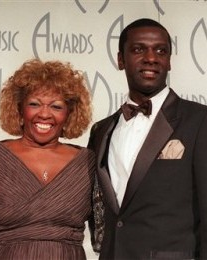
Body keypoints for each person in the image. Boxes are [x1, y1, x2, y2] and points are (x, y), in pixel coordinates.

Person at [88, 18, 207, 259]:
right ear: (120, 60)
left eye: (160, 50)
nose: (151, 57)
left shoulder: (200, 120)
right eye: (138, 49)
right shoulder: (101, 130)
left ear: (169, 61)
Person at [0, 58, 96, 259]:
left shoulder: (88, 162)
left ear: (69, 114)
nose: (44, 114)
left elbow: (108, 229)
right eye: (34, 104)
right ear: (19, 110)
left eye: (56, 106)